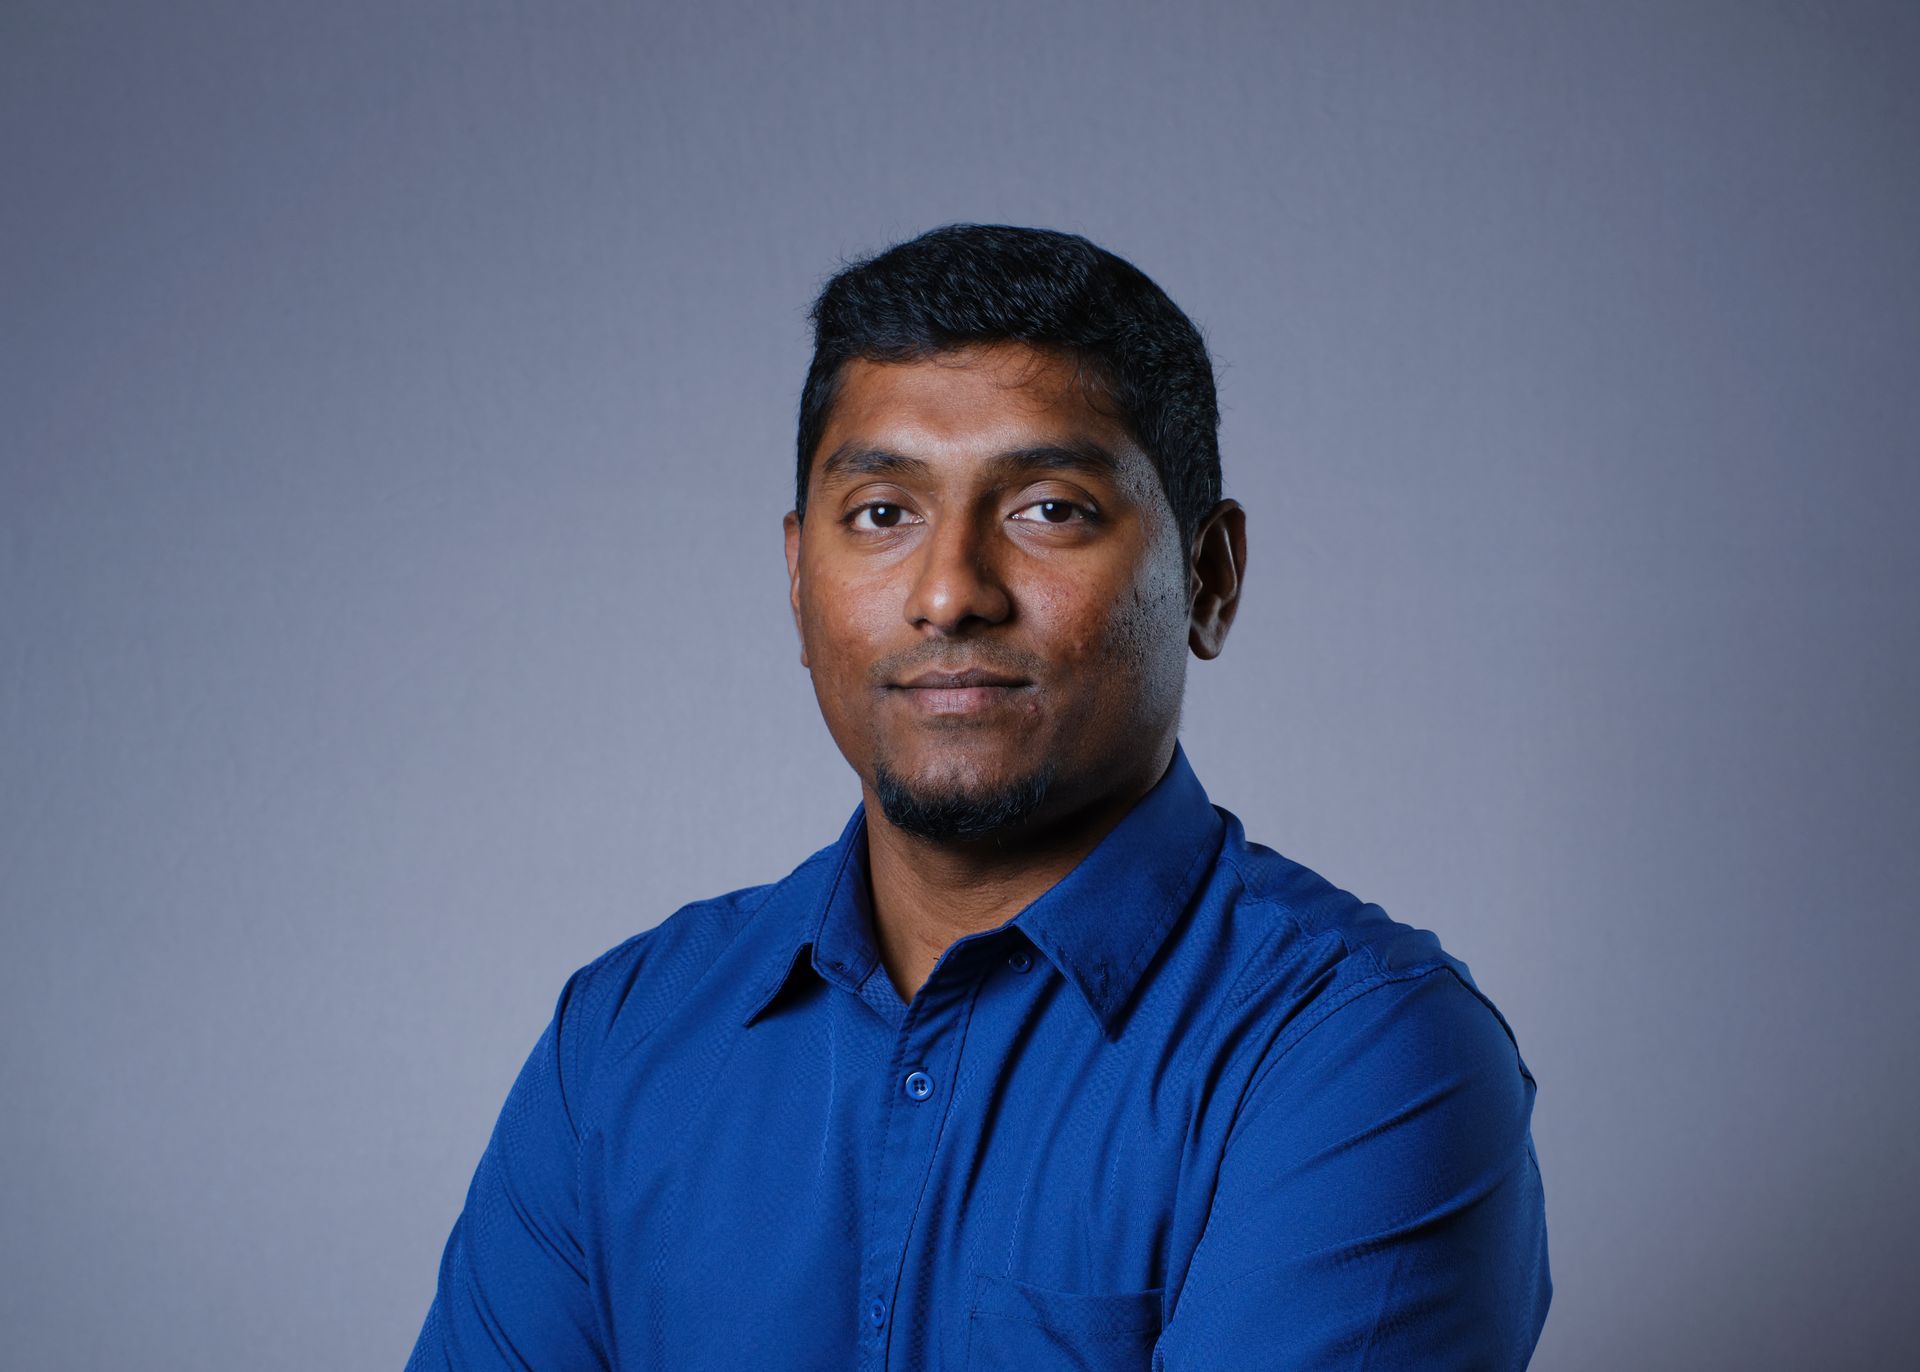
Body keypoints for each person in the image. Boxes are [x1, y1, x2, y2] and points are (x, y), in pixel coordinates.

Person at [405, 223, 1552, 1370]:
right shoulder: (622, 1039)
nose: (950, 591)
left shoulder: (1361, 1058)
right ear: (799, 578)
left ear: (1208, 578)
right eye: (883, 514)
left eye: (1048, 507)